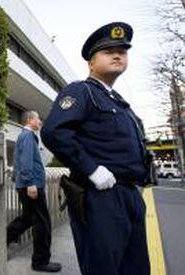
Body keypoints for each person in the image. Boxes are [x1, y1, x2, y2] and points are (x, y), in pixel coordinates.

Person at [40, 22, 151, 275]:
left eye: (122, 51)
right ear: (91, 63)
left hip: (130, 195)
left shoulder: (121, 103)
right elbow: (54, 132)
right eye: (108, 51)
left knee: (136, 268)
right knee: (104, 268)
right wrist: (91, 168)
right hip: (101, 196)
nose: (117, 55)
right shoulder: (82, 91)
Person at [7, 110, 62, 273]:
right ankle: (40, 261)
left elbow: (24, 161)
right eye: (38, 118)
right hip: (31, 186)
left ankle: (2, 239)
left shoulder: (26, 136)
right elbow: (25, 162)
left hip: (27, 185)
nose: (40, 122)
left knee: (28, 218)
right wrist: (30, 183)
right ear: (30, 120)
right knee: (42, 223)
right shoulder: (27, 136)